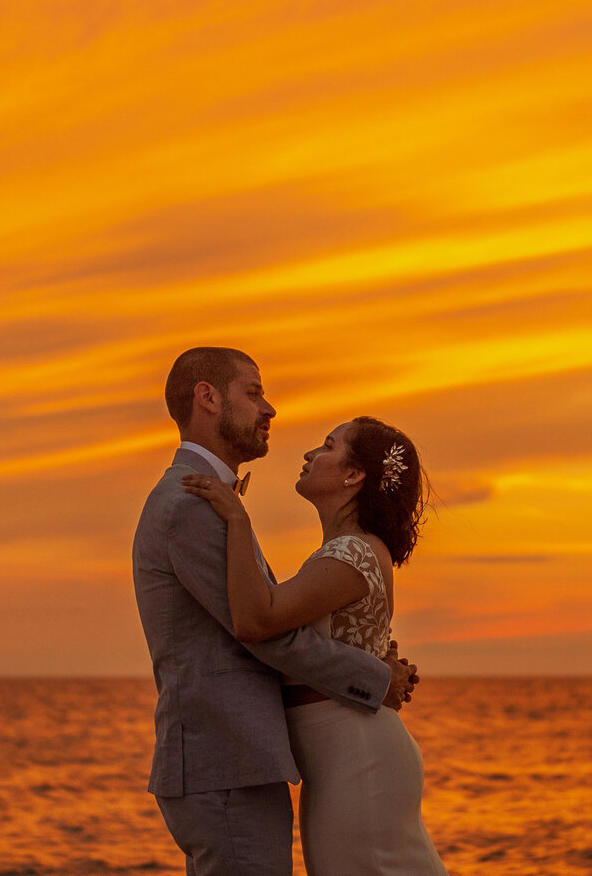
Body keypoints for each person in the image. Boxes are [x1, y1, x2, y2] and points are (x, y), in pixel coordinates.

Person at [132, 347, 419, 876]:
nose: (270, 410)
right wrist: (375, 676)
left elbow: (270, 621)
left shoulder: (206, 500)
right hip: (226, 762)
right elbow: (262, 631)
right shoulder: (189, 505)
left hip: (239, 761)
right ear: (208, 399)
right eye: (254, 392)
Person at [183, 415, 449, 875]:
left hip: (357, 758)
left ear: (353, 474)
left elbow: (256, 619)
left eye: (327, 446)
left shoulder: (352, 554)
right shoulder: (348, 550)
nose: (309, 455)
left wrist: (237, 520)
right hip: (341, 756)